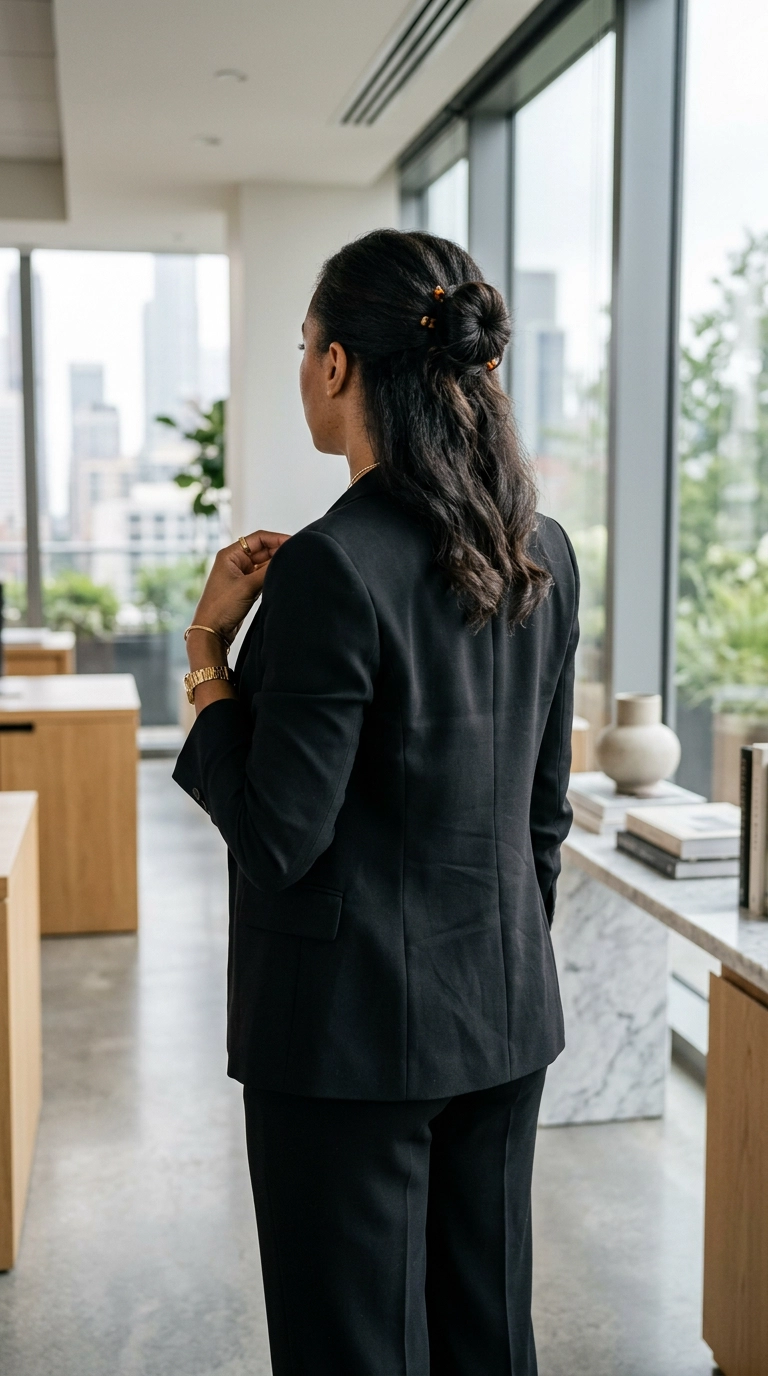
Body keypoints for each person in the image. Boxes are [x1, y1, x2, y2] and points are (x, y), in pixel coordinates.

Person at [173, 228, 578, 1376]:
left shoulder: (332, 565)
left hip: (345, 1041)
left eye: (306, 346)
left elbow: (276, 833)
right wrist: (493, 963)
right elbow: (542, 816)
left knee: (354, 1346)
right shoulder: (541, 550)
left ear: (341, 366)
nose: (304, 368)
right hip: (501, 1011)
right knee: (487, 1335)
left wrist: (208, 648)